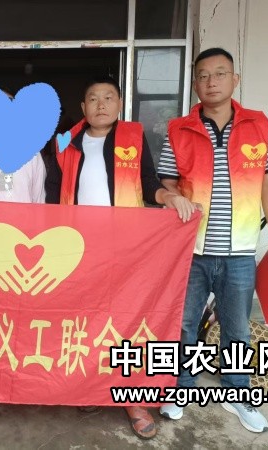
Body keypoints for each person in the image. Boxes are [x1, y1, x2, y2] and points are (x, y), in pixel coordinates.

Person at [45, 76, 196, 440]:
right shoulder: (66, 144)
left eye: (108, 97)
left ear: (119, 103)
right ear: (83, 108)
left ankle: (133, 399)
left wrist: (171, 198)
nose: (101, 104)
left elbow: (149, 183)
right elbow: (52, 193)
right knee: (84, 320)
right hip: (78, 248)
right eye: (93, 98)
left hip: (125, 249)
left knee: (127, 320)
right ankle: (89, 387)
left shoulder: (132, 138)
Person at [157, 48, 268, 433]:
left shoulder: (259, 125)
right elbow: (166, 183)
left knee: (237, 329)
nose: (211, 82)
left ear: (235, 79)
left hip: (240, 252)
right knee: (183, 326)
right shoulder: (178, 129)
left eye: (219, 73)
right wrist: (173, 196)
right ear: (195, 84)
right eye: (203, 75)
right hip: (190, 252)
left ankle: (237, 394)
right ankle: (181, 388)